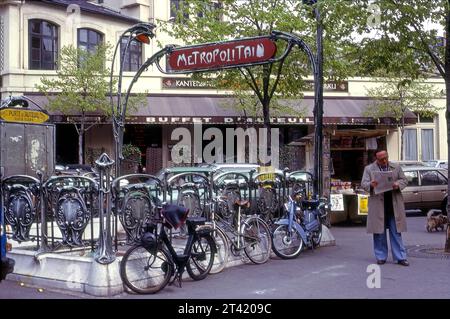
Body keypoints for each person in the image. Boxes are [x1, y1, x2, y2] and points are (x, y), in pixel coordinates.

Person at [361, 150, 410, 266]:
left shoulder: (396, 167)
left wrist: (398, 184)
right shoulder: (369, 169)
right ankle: (381, 256)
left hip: (393, 204)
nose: (384, 161)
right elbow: (364, 184)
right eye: (381, 159)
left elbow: (404, 180)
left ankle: (400, 257)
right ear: (376, 159)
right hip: (378, 204)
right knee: (379, 233)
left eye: (385, 158)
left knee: (396, 232)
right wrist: (370, 185)